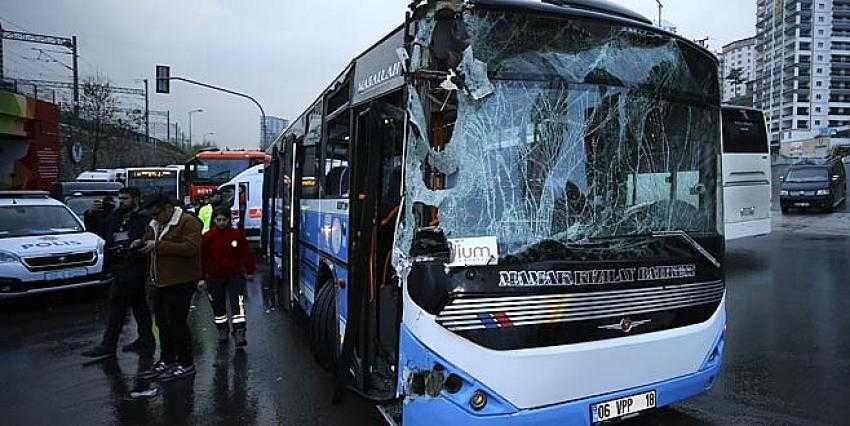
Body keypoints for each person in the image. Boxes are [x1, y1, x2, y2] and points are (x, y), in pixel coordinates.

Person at [136, 195, 202, 382]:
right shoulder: (155, 223)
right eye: (152, 215)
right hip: (159, 281)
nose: (154, 218)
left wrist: (158, 245)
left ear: (168, 208)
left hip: (180, 281)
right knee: (163, 324)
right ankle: (167, 359)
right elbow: (148, 239)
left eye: (157, 213)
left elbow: (190, 248)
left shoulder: (188, 222)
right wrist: (141, 243)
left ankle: (186, 362)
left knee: (177, 323)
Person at [83, 189, 155, 360]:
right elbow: (100, 229)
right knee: (139, 305)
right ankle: (146, 338)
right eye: (120, 198)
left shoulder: (143, 218)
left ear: (136, 199)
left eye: (125, 198)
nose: (121, 201)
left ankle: (108, 344)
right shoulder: (116, 215)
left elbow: (146, 238)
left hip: (134, 265)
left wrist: (136, 244)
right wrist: (91, 214)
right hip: (118, 264)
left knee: (118, 305)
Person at [201, 208, 256, 347]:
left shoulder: (236, 235)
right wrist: (201, 278)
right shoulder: (208, 237)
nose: (221, 223)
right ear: (214, 220)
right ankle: (222, 330)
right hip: (214, 277)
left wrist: (250, 270)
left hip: (234, 275)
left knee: (237, 303)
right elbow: (202, 258)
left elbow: (246, 253)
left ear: (228, 220)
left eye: (224, 220)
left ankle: (239, 332)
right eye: (218, 220)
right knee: (218, 306)